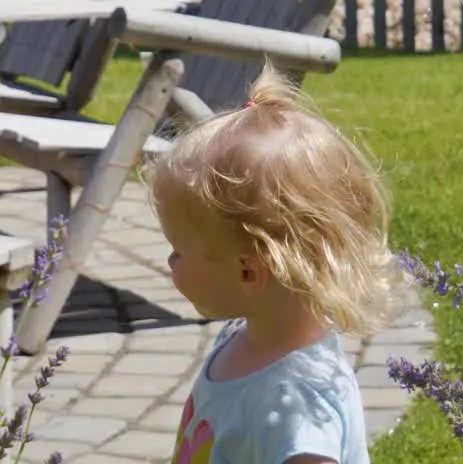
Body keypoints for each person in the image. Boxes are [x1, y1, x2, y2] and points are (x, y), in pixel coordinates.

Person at [145, 63, 404, 464]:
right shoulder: (238, 337)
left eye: (179, 249)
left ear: (248, 271)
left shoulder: (295, 406)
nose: (170, 260)